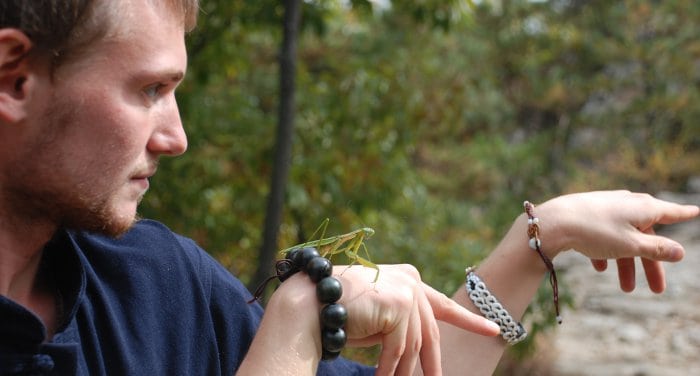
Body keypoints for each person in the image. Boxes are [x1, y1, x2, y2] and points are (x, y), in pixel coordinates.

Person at [0, 1, 697, 375]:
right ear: (14, 78)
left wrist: (538, 238)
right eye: (148, 90)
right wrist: (294, 332)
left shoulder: (153, 281)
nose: (176, 137)